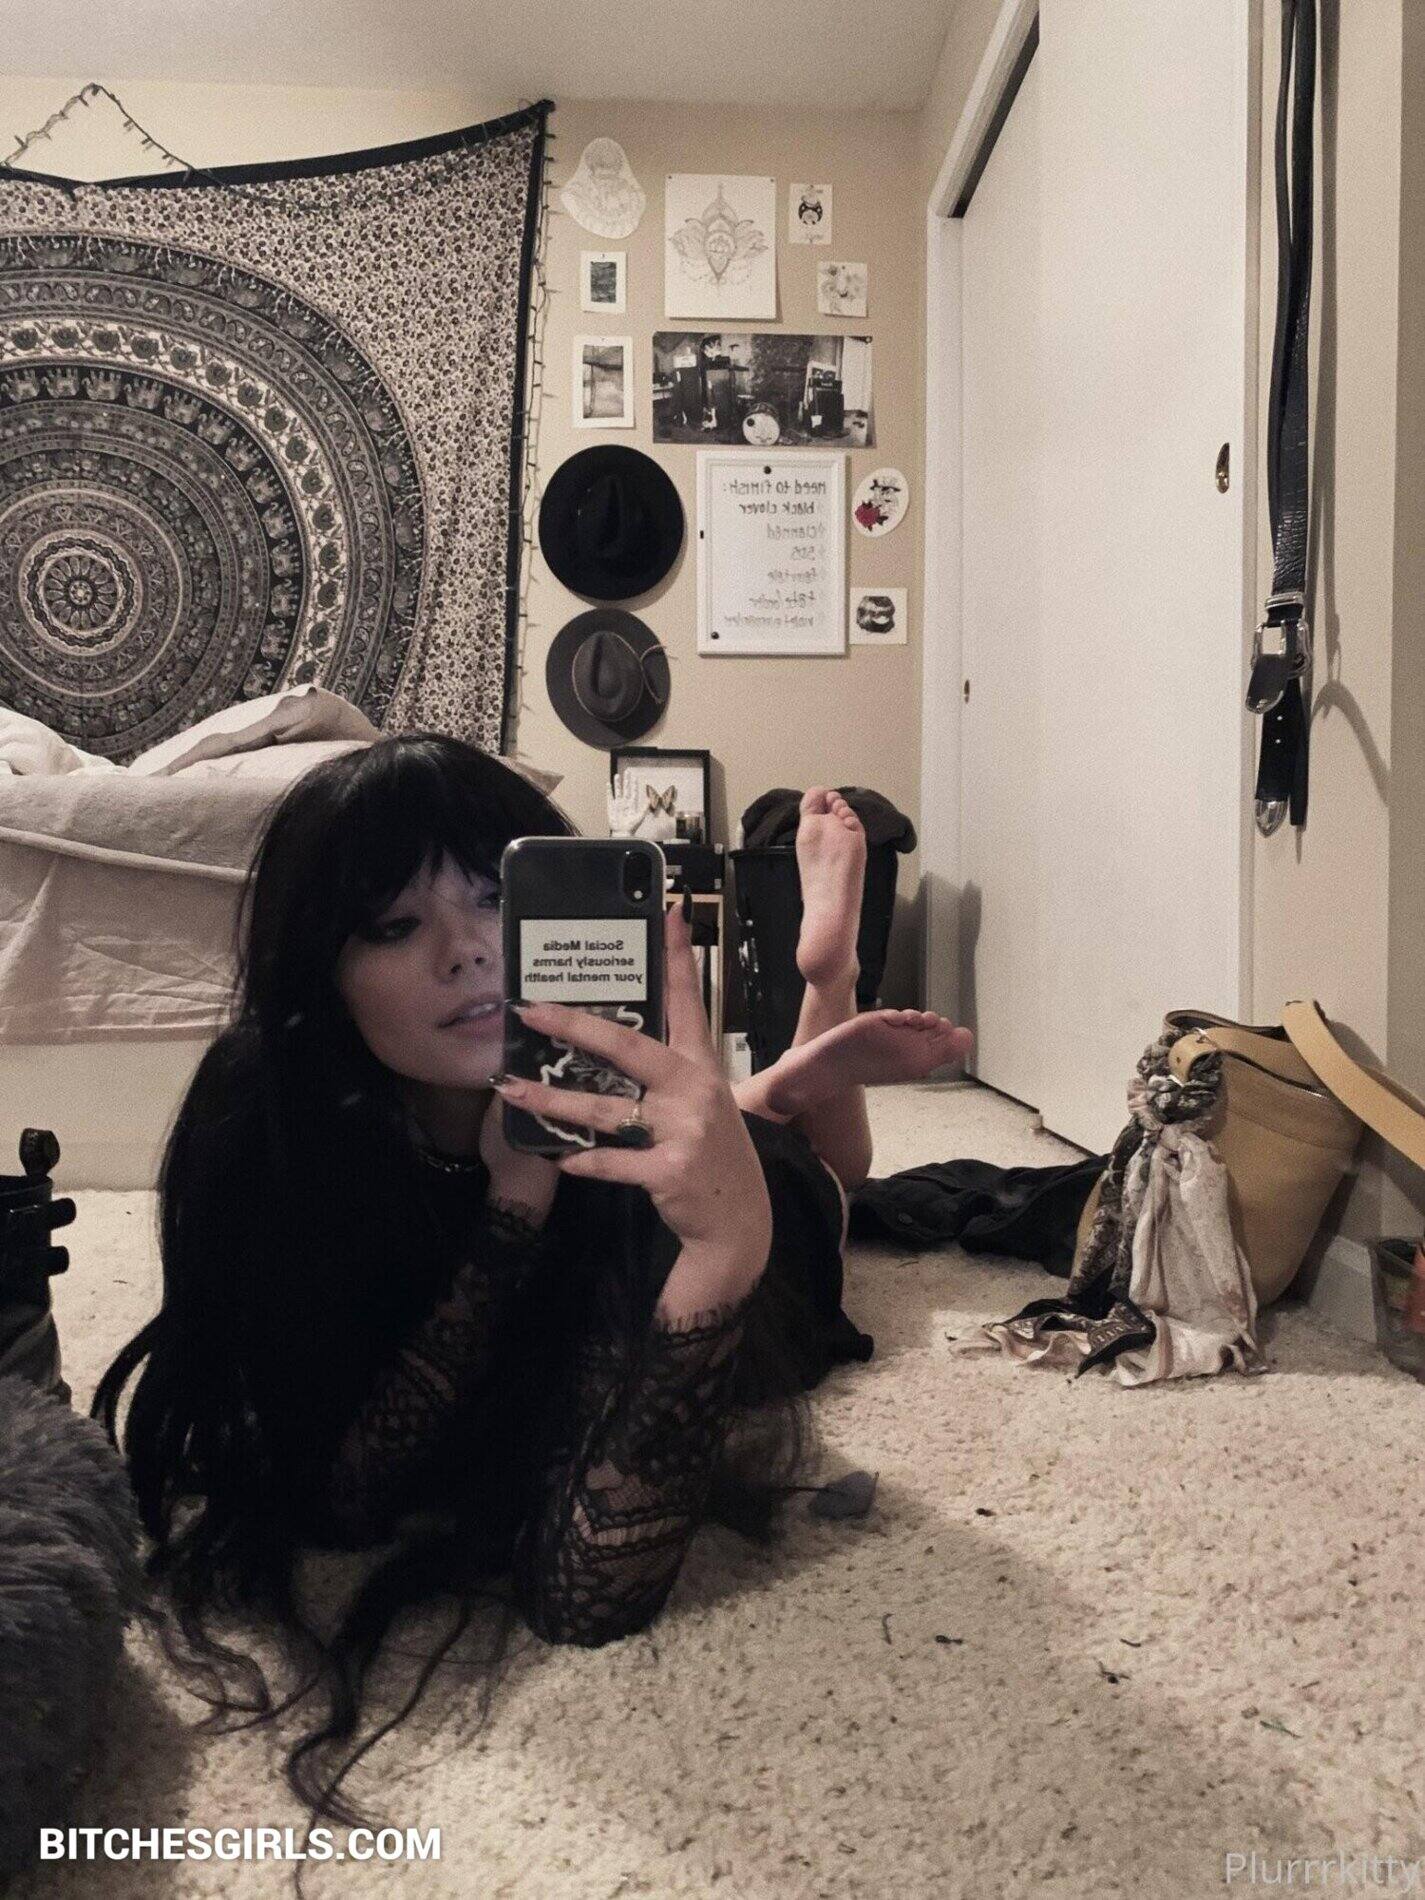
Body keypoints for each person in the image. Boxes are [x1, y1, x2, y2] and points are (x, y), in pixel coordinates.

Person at [92, 734, 970, 1829]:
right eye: (393, 925)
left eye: (499, 898)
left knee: (828, 1185)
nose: (466, 953)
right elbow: (342, 1497)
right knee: (742, 1132)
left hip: (710, 1174)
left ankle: (818, 996)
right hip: (596, 1147)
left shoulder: (633, 1169)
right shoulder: (265, 1123)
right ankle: (772, 1086)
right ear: (322, 970)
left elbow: (584, 1598)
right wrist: (512, 1212)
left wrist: (722, 1250)